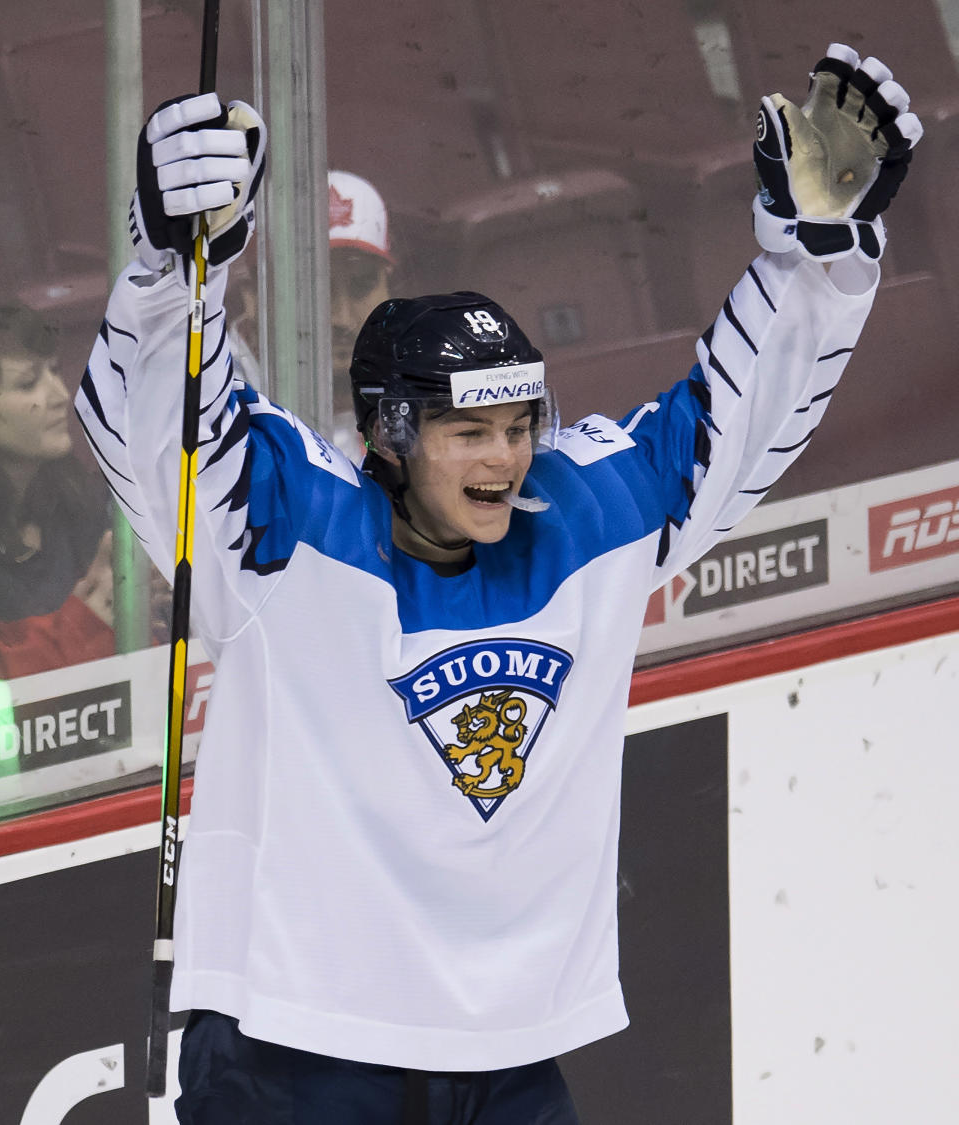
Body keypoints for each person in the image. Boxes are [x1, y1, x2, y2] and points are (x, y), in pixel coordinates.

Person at [77, 46, 921, 1124]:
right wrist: (165, 271)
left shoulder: (589, 516)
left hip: (506, 1058)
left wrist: (816, 255)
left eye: (521, 426)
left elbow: (737, 418)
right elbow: (149, 433)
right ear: (388, 432)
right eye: (467, 431)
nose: (505, 460)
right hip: (290, 1046)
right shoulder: (289, 524)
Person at [0, 304, 113, 680]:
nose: (61, 394)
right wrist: (89, 620)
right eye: (27, 383)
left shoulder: (82, 502)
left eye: (54, 371)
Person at [328, 169, 395, 456]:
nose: (341, 318)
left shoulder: (429, 394)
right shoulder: (225, 399)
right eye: (319, 292)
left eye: (361, 285)